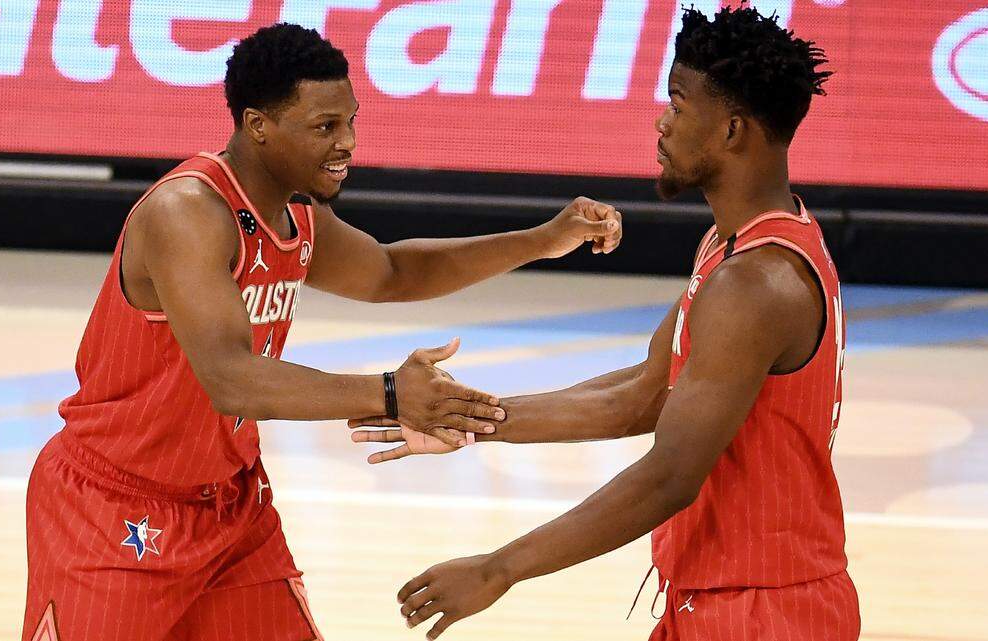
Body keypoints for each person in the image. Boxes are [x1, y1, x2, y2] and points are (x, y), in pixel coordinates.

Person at [21, 23, 622, 641]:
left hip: (231, 508)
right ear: (259, 126)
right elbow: (231, 379)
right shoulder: (188, 213)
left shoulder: (298, 214)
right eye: (325, 127)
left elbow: (393, 271)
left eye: (351, 122)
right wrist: (390, 392)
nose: (348, 144)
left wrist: (543, 240)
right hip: (114, 508)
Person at [358, 6, 858, 640]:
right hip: (722, 598)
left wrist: (499, 569)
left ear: (732, 130)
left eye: (678, 103)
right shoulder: (733, 246)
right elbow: (644, 395)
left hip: (763, 610)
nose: (662, 119)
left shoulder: (755, 284)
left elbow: (670, 477)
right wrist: (470, 419)